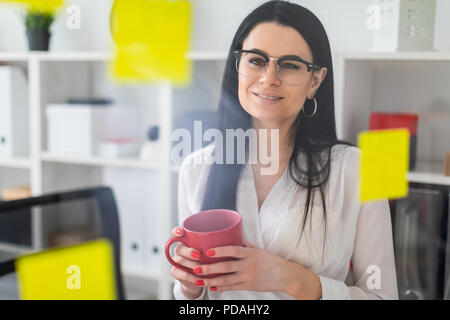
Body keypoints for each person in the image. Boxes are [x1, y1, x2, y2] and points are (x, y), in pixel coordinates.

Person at [170, 0, 399, 300]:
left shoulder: (360, 170)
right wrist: (188, 286)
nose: (269, 78)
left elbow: (383, 296)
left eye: (289, 65)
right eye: (256, 60)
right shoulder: (196, 168)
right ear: (238, 65)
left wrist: (296, 281)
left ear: (315, 80)